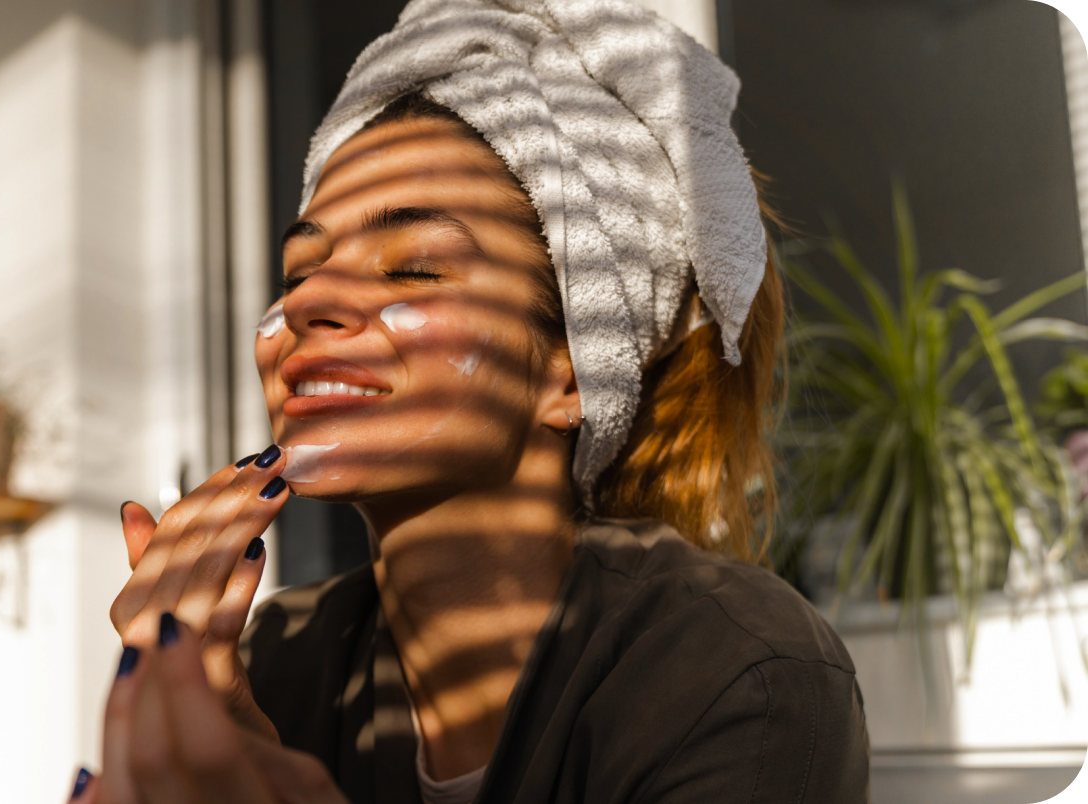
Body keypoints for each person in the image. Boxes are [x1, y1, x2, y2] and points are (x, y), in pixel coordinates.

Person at [71, 1, 870, 801]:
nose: (307, 302)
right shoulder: (276, 658)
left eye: (412, 268)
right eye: (299, 273)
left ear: (572, 373)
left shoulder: (739, 673)